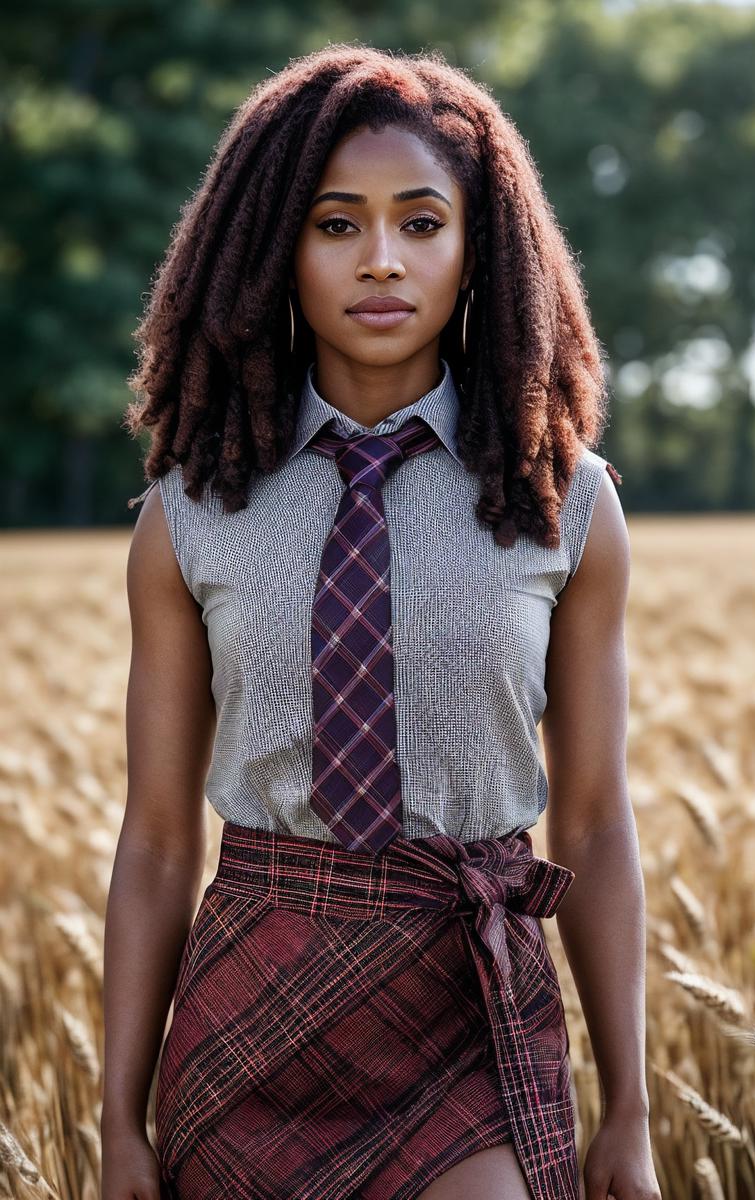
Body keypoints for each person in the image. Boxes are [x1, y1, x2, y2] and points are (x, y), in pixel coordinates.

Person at [101, 42, 660, 1200]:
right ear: (274, 253)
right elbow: (156, 839)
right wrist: (115, 1119)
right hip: (251, 1010)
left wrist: (632, 1113)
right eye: (334, 224)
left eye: (419, 222)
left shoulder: (570, 505)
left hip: (469, 998)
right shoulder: (188, 515)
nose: (380, 261)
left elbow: (597, 824)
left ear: (476, 252)